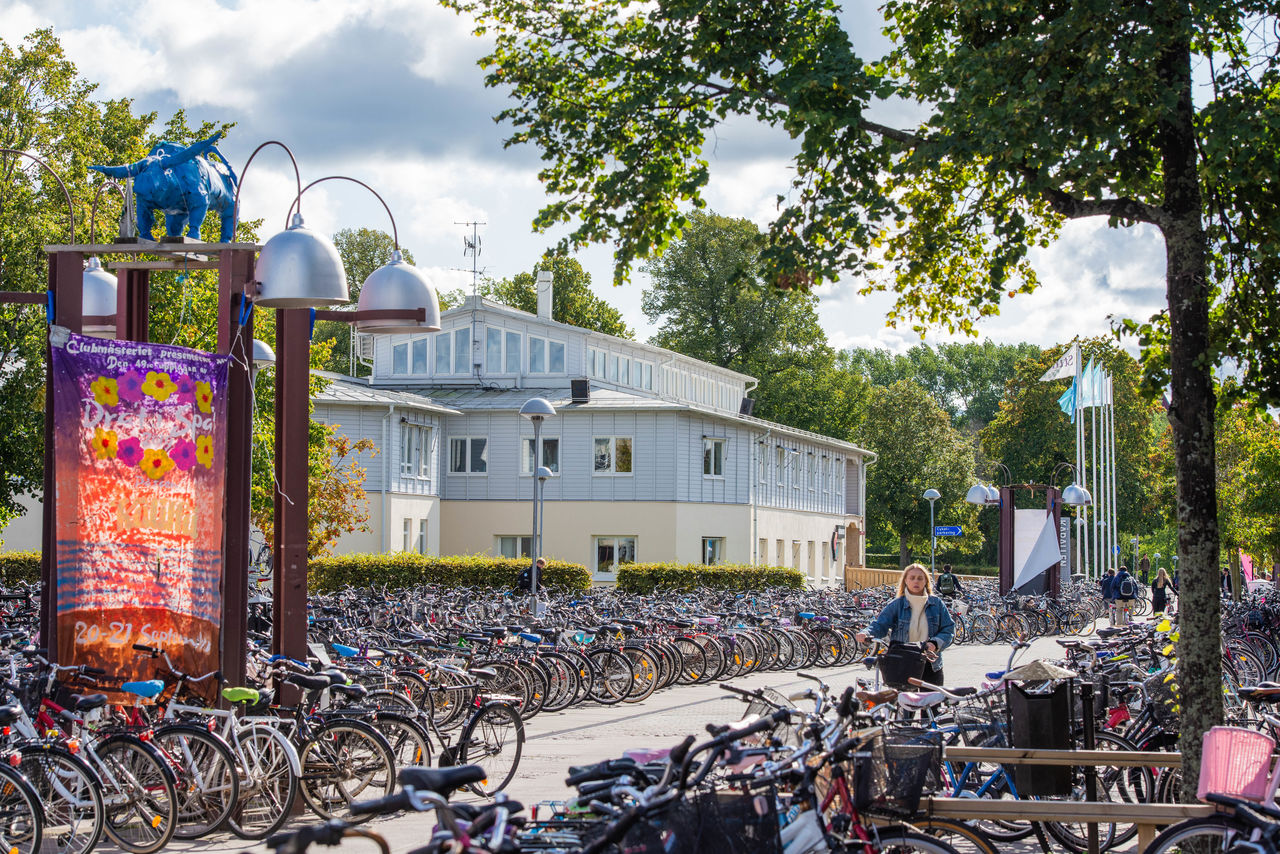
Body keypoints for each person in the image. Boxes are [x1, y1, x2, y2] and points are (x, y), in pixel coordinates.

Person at [856, 563, 955, 686]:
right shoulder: (897, 604)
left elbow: (949, 628)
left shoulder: (937, 604)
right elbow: (880, 625)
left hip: (930, 664)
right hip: (903, 662)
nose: (916, 581)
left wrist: (935, 643)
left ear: (926, 581)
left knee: (932, 702)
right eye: (912, 578)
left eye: (920, 578)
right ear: (905, 581)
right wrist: (866, 633)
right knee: (904, 703)